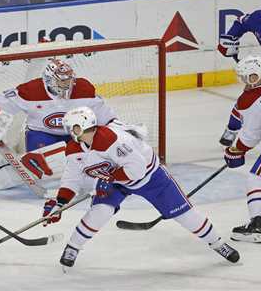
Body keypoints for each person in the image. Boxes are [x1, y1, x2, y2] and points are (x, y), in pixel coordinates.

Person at [42, 106, 240, 269]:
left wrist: (110, 178)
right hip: (117, 181)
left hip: (150, 177)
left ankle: (218, 243)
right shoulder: (75, 149)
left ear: (82, 126)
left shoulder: (112, 140)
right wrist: (60, 202)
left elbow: (136, 170)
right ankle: (73, 247)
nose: (69, 132)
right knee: (100, 211)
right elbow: (72, 177)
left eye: (73, 128)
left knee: (185, 215)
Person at [0, 58, 117, 190]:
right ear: (50, 80)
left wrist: (115, 130)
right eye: (62, 81)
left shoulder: (83, 89)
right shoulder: (32, 91)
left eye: (69, 80)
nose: (67, 84)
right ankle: (1, 173)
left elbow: (102, 112)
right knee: (45, 164)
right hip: (41, 134)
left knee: (88, 157)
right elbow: (3, 102)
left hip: (74, 134)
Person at [222, 56, 261, 243]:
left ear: (254, 77)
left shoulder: (250, 100)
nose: (243, 82)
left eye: (245, 78)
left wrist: (235, 150)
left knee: (257, 177)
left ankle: (256, 226)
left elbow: (249, 138)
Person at [218, 1, 261, 146]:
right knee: (249, 95)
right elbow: (241, 22)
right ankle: (232, 130)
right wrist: (229, 39)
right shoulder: (259, 18)